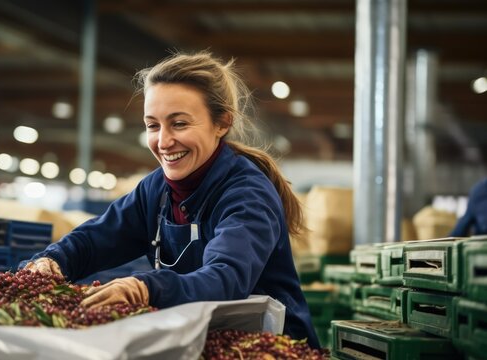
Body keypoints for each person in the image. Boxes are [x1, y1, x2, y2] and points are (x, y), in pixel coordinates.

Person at [21, 51, 319, 348]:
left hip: (272, 346)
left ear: (222, 123)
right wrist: (54, 261)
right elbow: (96, 239)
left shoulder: (247, 194)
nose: (163, 142)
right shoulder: (155, 190)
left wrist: (145, 288)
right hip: (202, 342)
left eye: (179, 124)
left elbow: (224, 279)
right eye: (153, 125)